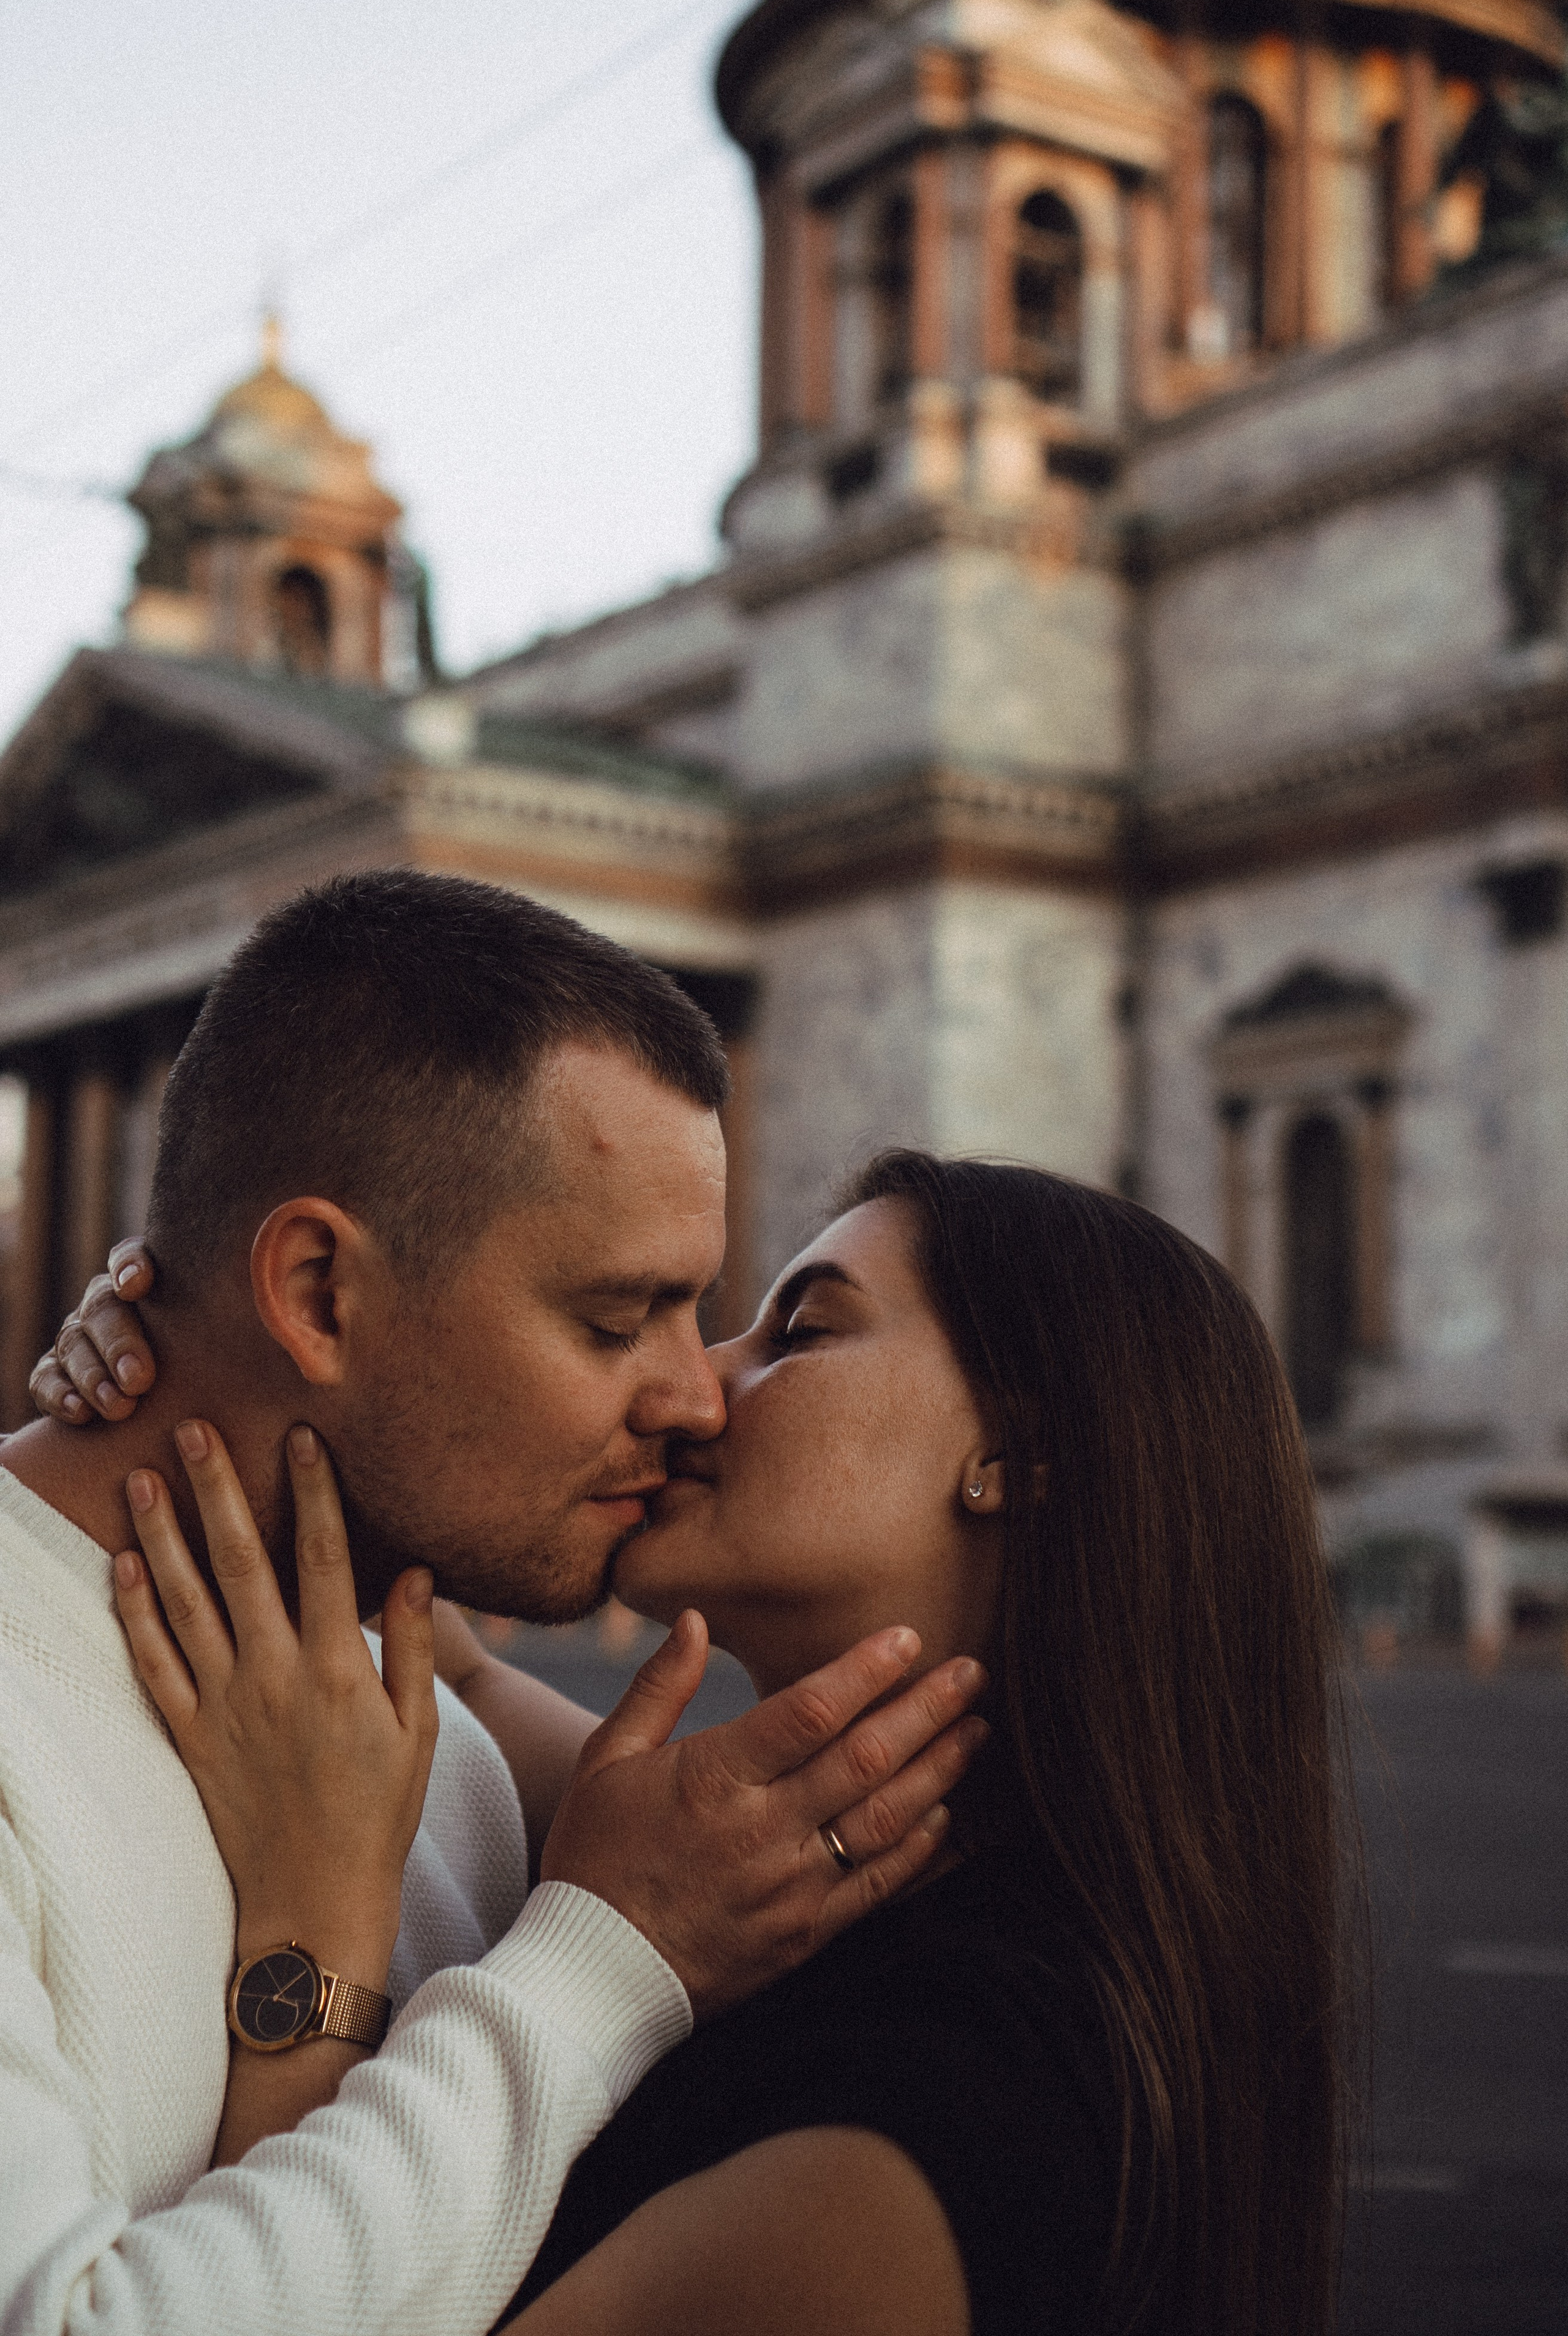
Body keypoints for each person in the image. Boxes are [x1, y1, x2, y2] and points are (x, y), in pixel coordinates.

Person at [75, 1150, 1354, 2336]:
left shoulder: (914, 2144)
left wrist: (314, 1945)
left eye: (799, 1329)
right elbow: (438, 1647)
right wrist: (214, 1358)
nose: (691, 1390)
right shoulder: (801, 1867)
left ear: (1015, 1458)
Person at [1, 871, 986, 2336]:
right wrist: (598, 1966)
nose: (688, 1388)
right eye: (614, 1317)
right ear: (321, 1291)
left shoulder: (419, 1714)